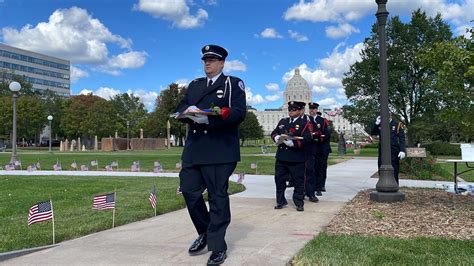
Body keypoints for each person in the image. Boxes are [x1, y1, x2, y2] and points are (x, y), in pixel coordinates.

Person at [175, 44, 246, 265]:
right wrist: (187, 114)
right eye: (205, 60)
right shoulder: (195, 85)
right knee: (189, 191)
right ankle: (205, 231)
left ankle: (217, 246)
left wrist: (211, 118)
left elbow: (238, 113)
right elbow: (182, 107)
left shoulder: (232, 84)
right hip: (195, 149)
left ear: (222, 63)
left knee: (217, 197)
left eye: (212, 60)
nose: (208, 63)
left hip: (220, 149)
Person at [271, 101, 312, 211]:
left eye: (294, 110)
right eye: (290, 110)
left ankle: (298, 202)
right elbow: (274, 132)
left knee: (298, 181)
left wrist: (293, 143)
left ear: (299, 111)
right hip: (281, 156)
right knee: (279, 180)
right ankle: (280, 201)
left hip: (296, 157)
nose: (291, 112)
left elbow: (308, 139)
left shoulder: (305, 123)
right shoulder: (283, 121)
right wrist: (276, 138)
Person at [370, 113, 406, 184]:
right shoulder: (380, 124)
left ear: (390, 116)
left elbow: (402, 138)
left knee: (394, 170)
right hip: (382, 150)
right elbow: (373, 133)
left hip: (393, 150)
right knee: (381, 168)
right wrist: (376, 124)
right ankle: (382, 184)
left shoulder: (397, 124)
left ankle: (395, 186)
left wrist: (402, 150)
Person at [310, 104, 331, 196]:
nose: (312, 110)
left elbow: (326, 134)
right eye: (310, 108)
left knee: (321, 167)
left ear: (316, 109)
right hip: (311, 148)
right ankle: (313, 186)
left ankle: (321, 185)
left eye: (314, 109)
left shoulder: (323, 121)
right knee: (312, 168)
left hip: (322, 148)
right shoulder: (306, 120)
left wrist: (318, 137)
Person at [301, 103, 319, 202]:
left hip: (309, 149)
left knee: (310, 172)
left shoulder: (310, 120)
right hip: (298, 150)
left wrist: (311, 135)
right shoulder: (291, 120)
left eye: (301, 109)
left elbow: (317, 132)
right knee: (299, 173)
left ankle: (310, 193)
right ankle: (301, 192)